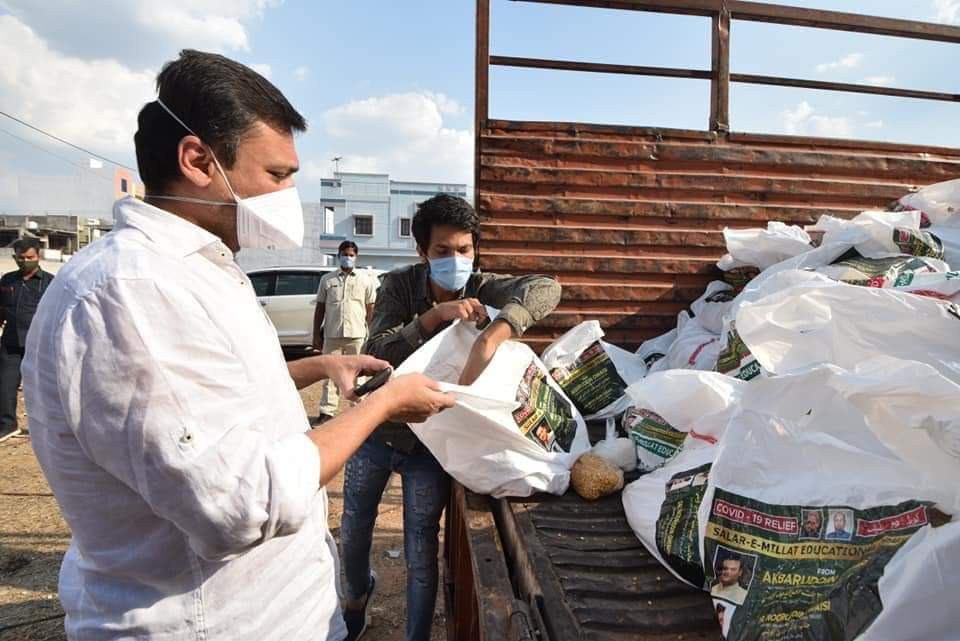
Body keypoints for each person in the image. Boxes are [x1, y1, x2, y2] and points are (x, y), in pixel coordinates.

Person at [22, 50, 454, 641]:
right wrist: (383, 404)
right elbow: (238, 505)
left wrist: (321, 365)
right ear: (198, 160)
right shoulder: (131, 294)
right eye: (276, 175)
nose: (288, 195)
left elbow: (223, 398)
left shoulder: (201, 269)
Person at [341, 193, 562, 641]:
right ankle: (357, 597)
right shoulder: (399, 286)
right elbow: (377, 354)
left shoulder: (481, 286)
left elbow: (546, 288)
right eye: (443, 251)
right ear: (423, 252)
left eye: (465, 249)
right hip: (377, 434)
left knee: (422, 553)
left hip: (431, 446)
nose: (456, 259)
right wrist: (433, 317)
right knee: (354, 532)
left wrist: (499, 330)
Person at [313, 240, 377, 422]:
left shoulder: (366, 280)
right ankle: (326, 412)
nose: (347, 257)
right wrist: (316, 334)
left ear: (356, 257)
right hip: (332, 334)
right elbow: (320, 308)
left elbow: (371, 308)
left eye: (351, 255)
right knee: (329, 374)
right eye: (344, 254)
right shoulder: (327, 280)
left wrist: (371, 334)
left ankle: (359, 410)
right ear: (339, 255)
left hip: (357, 335)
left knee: (359, 374)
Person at [0, 237, 54, 437]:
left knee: (42, 388)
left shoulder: (50, 283)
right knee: (5, 385)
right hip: (11, 343)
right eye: (20, 258)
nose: (24, 261)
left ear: (38, 256)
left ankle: (46, 427)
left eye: (29, 257)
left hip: (39, 345)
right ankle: (8, 425)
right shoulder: (7, 281)